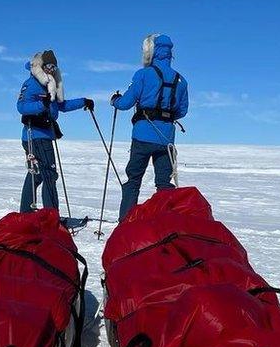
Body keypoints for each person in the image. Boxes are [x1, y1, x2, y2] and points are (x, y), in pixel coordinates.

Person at [110, 34, 189, 221]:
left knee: (133, 181)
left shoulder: (143, 74)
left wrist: (115, 100)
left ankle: (126, 224)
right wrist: (165, 117)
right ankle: (165, 224)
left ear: (151, 52)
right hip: (166, 139)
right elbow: (182, 110)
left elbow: (126, 103)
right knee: (164, 184)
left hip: (142, 136)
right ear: (170, 53)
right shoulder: (181, 80)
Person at [17, 50, 94, 213]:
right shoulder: (31, 83)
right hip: (36, 136)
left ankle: (26, 213)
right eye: (48, 66)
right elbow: (21, 107)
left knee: (36, 174)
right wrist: (41, 105)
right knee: (49, 174)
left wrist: (83, 102)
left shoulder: (50, 84)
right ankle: (50, 216)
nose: (51, 69)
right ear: (40, 66)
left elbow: (60, 105)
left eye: (54, 67)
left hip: (42, 134)